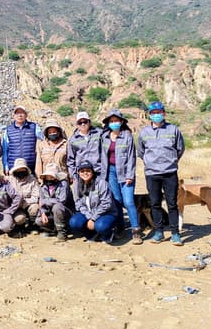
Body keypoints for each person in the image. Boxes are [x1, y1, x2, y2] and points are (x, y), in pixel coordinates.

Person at [138, 101, 186, 246]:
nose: (157, 115)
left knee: (172, 204)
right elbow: (140, 151)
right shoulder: (144, 133)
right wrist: (151, 163)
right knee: (155, 203)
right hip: (152, 174)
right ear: (149, 115)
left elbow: (180, 149)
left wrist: (171, 161)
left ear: (164, 113)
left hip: (169, 172)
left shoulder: (173, 130)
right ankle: (159, 232)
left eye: (159, 112)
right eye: (153, 113)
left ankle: (175, 233)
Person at [100, 109, 143, 245]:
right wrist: (103, 175)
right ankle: (121, 227)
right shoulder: (105, 136)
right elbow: (102, 157)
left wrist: (130, 175)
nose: (114, 123)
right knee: (117, 200)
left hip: (125, 172)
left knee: (129, 201)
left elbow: (131, 157)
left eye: (116, 121)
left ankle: (136, 230)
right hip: (110, 172)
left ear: (122, 122)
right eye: (111, 121)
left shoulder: (127, 136)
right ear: (108, 123)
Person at [69, 161, 118, 243]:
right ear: (78, 173)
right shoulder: (76, 185)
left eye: (88, 171)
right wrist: (89, 217)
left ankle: (108, 234)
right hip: (88, 213)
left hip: (106, 213)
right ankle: (91, 234)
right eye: (82, 171)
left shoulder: (102, 183)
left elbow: (106, 204)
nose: (85, 173)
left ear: (92, 172)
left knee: (101, 226)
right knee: (74, 222)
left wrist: (93, 218)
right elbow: (78, 204)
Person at [36, 163, 73, 241]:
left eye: (52, 176)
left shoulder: (64, 184)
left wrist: (46, 201)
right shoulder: (43, 186)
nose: (49, 178)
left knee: (57, 207)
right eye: (47, 176)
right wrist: (43, 213)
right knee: (38, 221)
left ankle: (62, 232)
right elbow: (41, 202)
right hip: (50, 212)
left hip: (65, 212)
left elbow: (61, 200)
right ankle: (53, 230)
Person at [2, 105, 42, 175]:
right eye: (17, 113)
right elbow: (5, 150)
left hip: (31, 168)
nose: (20, 115)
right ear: (13, 116)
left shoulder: (34, 127)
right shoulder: (8, 130)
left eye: (22, 113)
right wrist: (5, 165)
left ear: (26, 115)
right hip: (13, 168)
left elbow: (43, 143)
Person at [66, 111, 102, 182]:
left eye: (85, 122)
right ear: (77, 124)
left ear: (89, 122)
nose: (83, 124)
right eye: (80, 122)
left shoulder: (99, 134)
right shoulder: (73, 140)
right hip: (82, 175)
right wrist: (73, 175)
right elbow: (70, 159)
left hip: (98, 172)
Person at [7, 157, 41, 230]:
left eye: (22, 170)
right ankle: (20, 227)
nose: (20, 172)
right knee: (19, 219)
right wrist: (17, 203)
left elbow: (36, 196)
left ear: (26, 170)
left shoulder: (32, 180)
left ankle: (33, 225)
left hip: (28, 205)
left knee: (35, 208)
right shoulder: (9, 180)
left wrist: (25, 202)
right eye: (18, 170)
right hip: (15, 207)